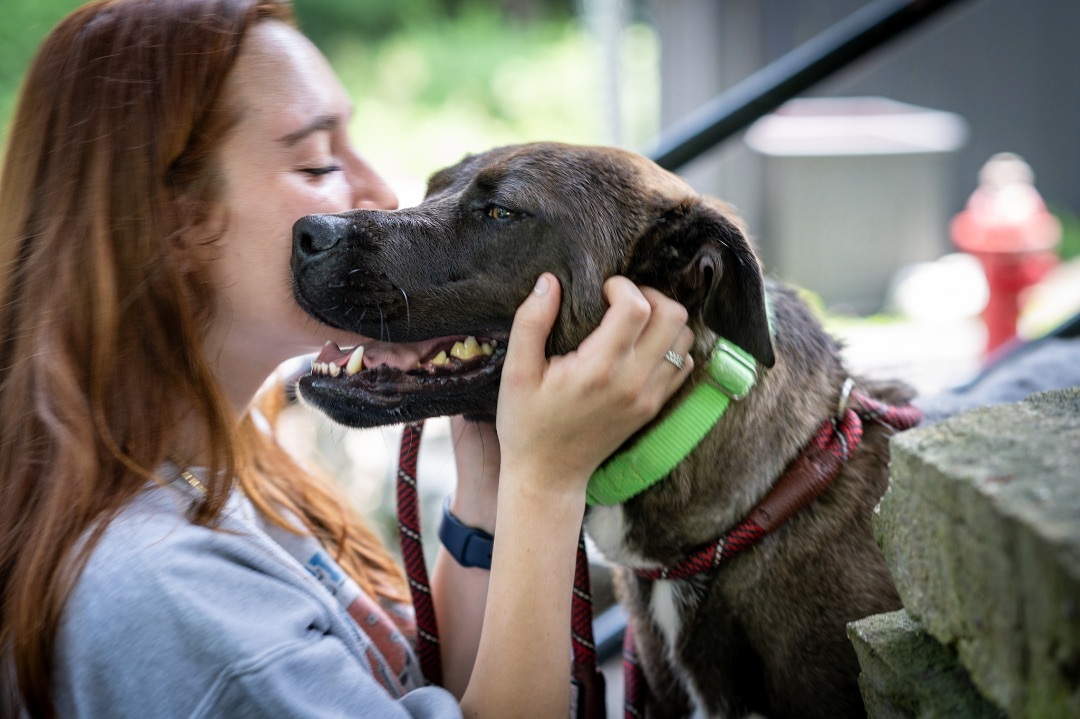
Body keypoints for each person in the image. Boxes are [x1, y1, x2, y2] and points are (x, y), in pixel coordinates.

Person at [0, 1, 694, 717]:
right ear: (177, 221)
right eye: (318, 160)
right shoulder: (166, 592)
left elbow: (444, 693)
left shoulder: (230, 464)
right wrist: (549, 482)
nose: (380, 194)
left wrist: (493, 458)